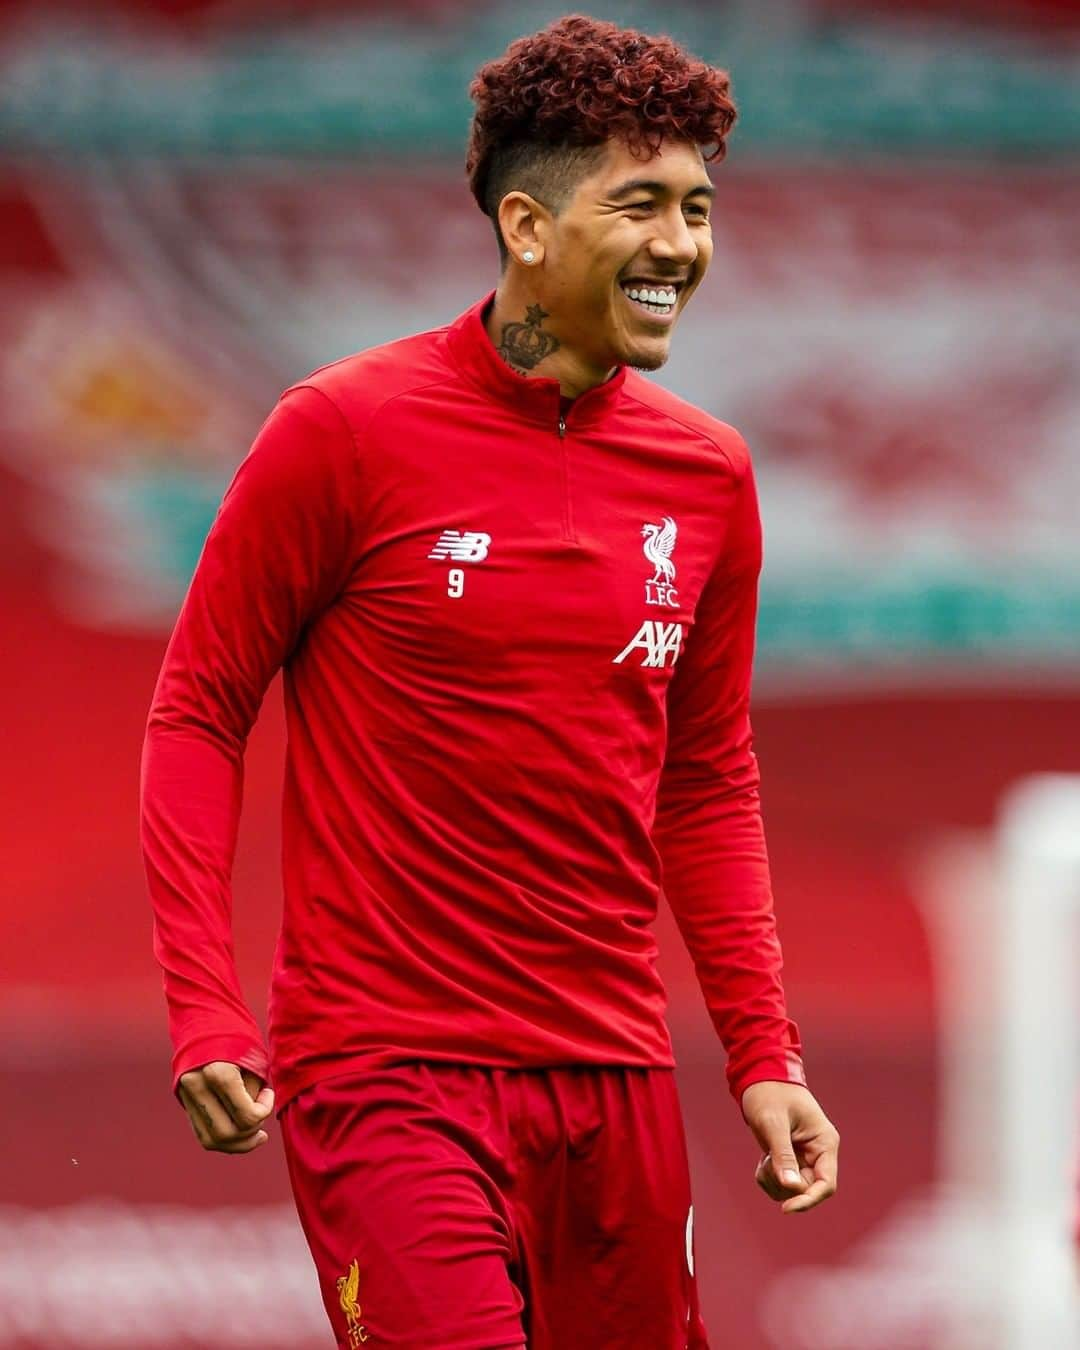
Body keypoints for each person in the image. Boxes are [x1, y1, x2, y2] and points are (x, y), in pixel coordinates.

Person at [140, 14, 838, 1349]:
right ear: (527, 226)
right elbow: (198, 707)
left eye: (699, 209)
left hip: (615, 1072)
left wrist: (763, 1053)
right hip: (388, 1068)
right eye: (641, 204)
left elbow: (705, 779)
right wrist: (202, 998)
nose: (682, 247)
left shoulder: (711, 476)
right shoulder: (341, 431)